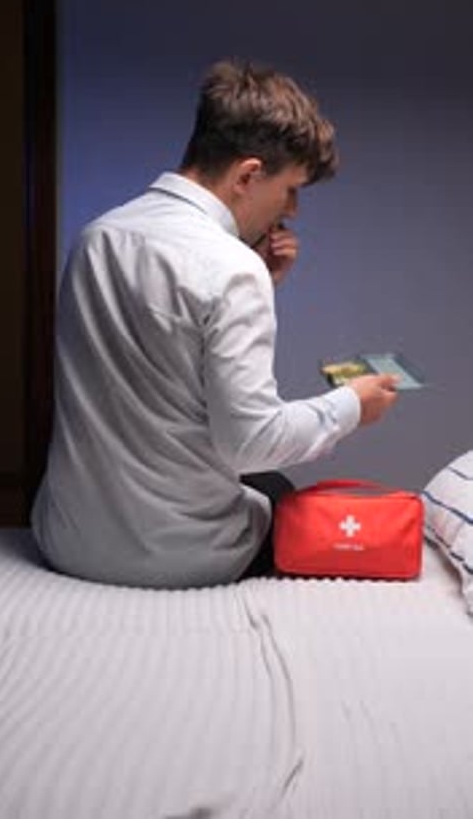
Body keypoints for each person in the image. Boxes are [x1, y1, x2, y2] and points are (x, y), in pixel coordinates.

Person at [31, 59, 398, 588]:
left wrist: (260, 285)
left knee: (263, 483)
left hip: (68, 540)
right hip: (176, 558)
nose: (291, 210)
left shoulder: (98, 236)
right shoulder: (230, 267)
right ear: (248, 175)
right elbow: (249, 444)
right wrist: (350, 406)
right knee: (276, 486)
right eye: (291, 188)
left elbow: (151, 349)